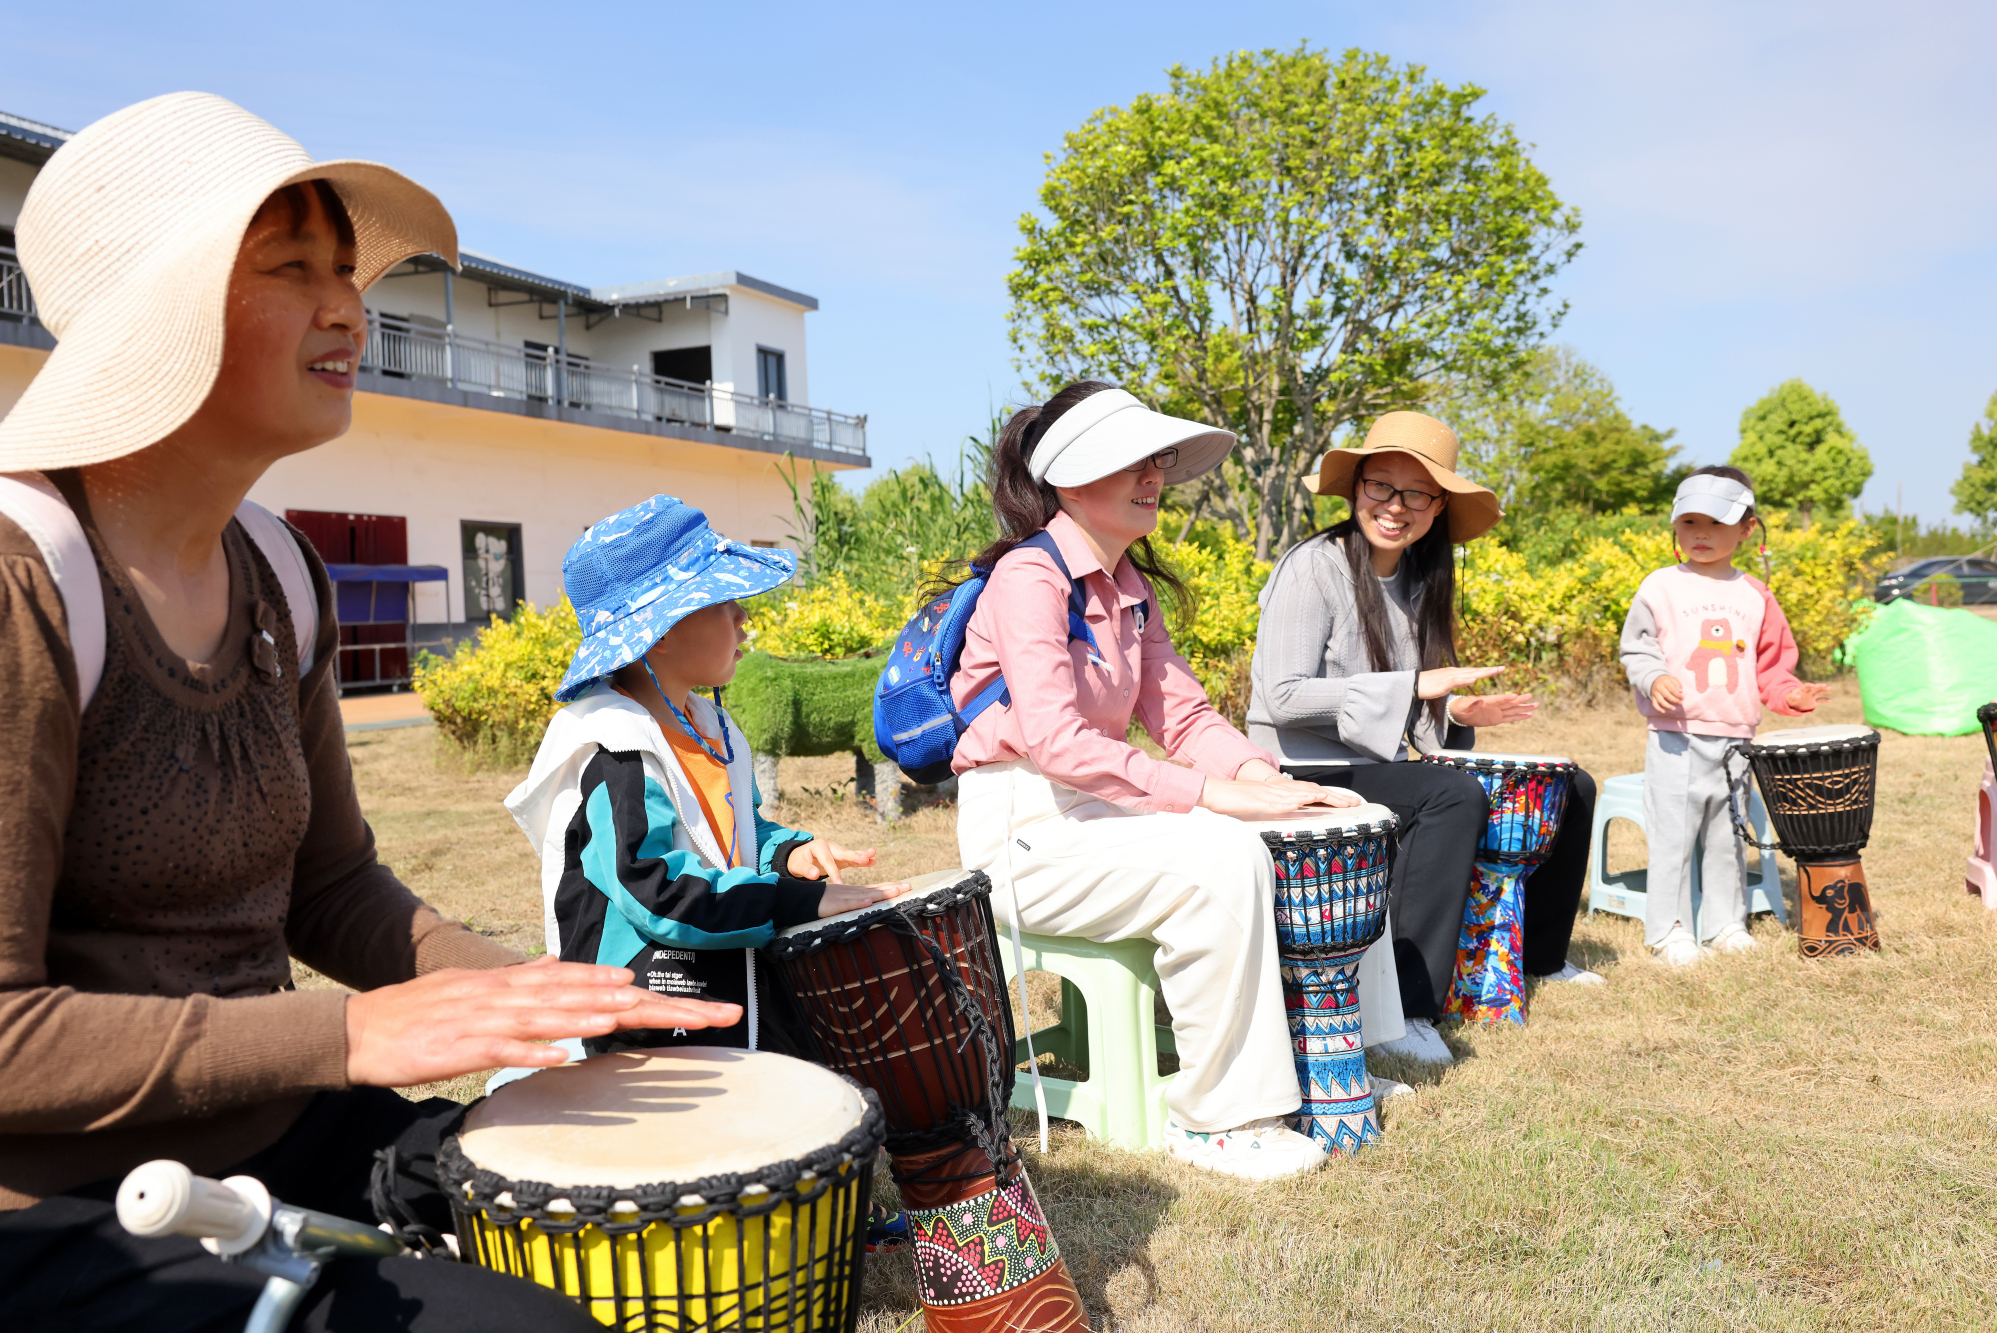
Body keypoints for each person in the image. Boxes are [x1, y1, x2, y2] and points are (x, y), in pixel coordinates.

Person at [0, 94, 739, 1332]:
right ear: (153, 314)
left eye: (346, 270)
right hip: (69, 1210)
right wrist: (347, 1032)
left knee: (651, 1204)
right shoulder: (24, 581)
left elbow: (331, 889)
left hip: (285, 1132)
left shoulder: (281, 574)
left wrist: (544, 995)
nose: (349, 308)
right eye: (291, 268)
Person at [950, 380, 1362, 1183]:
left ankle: (1335, 1068)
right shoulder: (1030, 578)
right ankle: (1217, 1120)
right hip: (1023, 832)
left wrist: (1269, 782)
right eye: (1131, 460)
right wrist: (1209, 794)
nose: (1154, 475)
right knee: (1220, 860)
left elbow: (1185, 717)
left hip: (1097, 813)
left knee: (1317, 829)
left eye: (1158, 459)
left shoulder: (1130, 590)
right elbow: (1057, 743)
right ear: (1071, 480)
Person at [1246, 411, 1603, 1068]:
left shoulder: (1417, 578)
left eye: (1416, 494)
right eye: (1381, 485)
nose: (1395, 506)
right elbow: (1283, 696)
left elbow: (1406, 706)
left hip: (1373, 761)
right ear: (1355, 488)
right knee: (1450, 795)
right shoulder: (1313, 567)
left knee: (1571, 784)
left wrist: (1457, 707)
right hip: (1300, 768)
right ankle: (1409, 1007)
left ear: (1439, 507)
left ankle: (1539, 957)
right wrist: (1416, 685)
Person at [505, 493, 911, 1054]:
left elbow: (732, 837)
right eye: (723, 601)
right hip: (643, 1017)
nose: (744, 617)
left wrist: (786, 855)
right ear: (660, 633)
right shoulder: (616, 751)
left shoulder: (709, 726)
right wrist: (791, 900)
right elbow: (655, 890)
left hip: (721, 978)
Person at [1619, 466, 1827, 965]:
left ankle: (1725, 924)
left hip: (1736, 739)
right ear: (1675, 525)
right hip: (1675, 737)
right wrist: (1654, 678)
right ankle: (1668, 930)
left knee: (1728, 835)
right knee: (1672, 836)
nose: (1701, 533)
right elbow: (1637, 649)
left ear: (1748, 529)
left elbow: (1772, 668)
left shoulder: (1756, 596)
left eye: (1716, 522)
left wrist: (1792, 696)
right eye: (1689, 522)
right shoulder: (1659, 587)